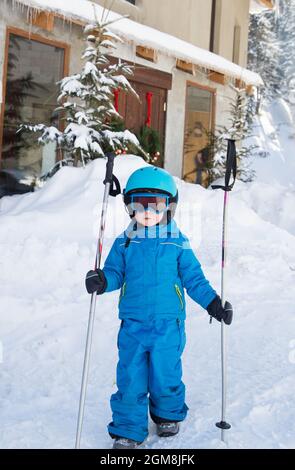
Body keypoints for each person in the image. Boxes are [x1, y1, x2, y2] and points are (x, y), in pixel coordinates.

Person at [85, 166, 233, 449]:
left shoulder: (177, 242)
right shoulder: (125, 241)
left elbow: (194, 279)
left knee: (166, 373)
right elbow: (115, 272)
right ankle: (128, 428)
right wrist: (103, 281)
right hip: (133, 324)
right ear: (129, 206)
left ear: (170, 206)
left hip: (168, 324)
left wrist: (213, 303)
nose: (147, 211)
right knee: (130, 376)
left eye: (156, 204)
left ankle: (167, 413)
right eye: (139, 204)